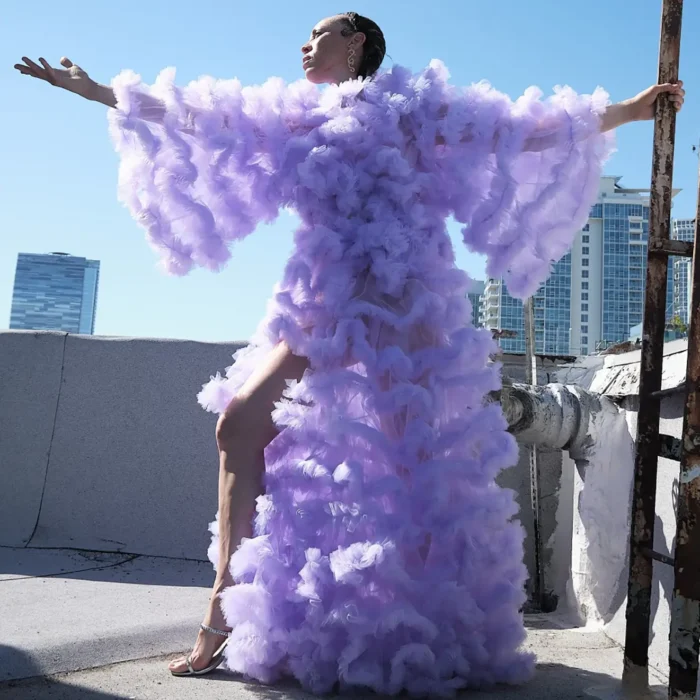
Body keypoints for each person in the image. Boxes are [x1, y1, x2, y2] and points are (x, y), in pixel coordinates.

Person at [15, 11, 685, 695]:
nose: (304, 46)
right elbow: (207, 117)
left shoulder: (416, 110)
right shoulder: (297, 117)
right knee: (240, 422)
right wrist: (102, 93)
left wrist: (630, 111)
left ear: (356, 41)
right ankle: (222, 610)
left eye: (318, 34)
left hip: (406, 307)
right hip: (319, 301)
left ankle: (438, 627)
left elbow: (518, 129)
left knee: (417, 469)